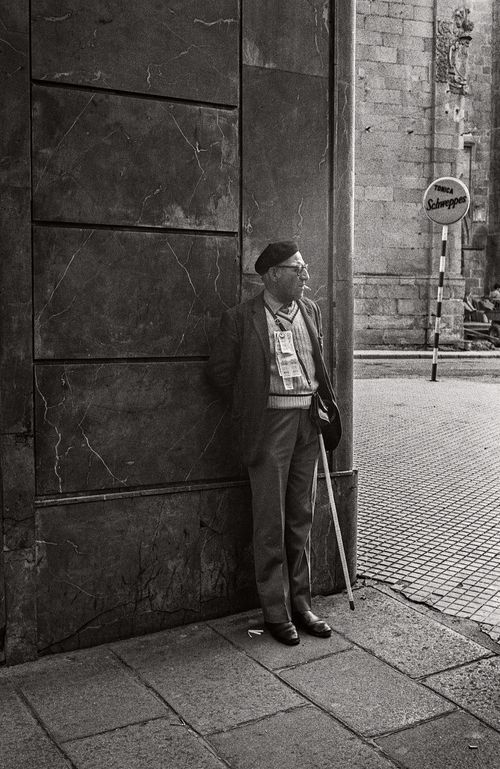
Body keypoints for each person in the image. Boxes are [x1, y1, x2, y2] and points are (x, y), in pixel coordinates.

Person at [207, 240, 342, 646]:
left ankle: (302, 604)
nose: (305, 275)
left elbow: (321, 363)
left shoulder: (311, 311)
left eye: (305, 268)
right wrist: (252, 403)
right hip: (269, 426)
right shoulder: (242, 318)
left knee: (302, 515)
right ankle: (275, 611)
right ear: (271, 276)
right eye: (296, 269)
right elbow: (219, 373)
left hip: (307, 424)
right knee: (270, 519)